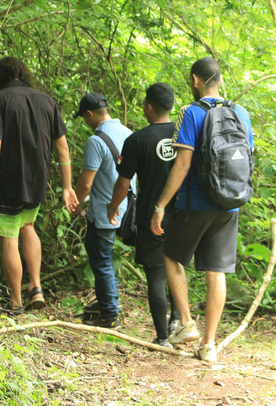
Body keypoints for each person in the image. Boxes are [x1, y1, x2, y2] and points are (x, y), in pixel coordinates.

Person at [150, 57, 254, 361]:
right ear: (219, 80)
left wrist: (161, 205)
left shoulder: (191, 112)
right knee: (216, 271)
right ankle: (209, 346)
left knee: (170, 255)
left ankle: (185, 322)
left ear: (196, 80)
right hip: (229, 205)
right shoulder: (241, 113)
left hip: (195, 204)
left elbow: (182, 164)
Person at [0, 57, 78, 314]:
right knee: (28, 226)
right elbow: (62, 147)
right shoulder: (47, 101)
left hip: (9, 180)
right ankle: (36, 287)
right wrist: (67, 187)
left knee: (8, 238)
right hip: (37, 179)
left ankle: (15, 303)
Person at [106, 83, 181, 347]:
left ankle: (163, 337)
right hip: (182, 215)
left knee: (156, 275)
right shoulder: (184, 134)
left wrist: (113, 208)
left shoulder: (137, 140)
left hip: (151, 218)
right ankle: (178, 322)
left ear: (149, 107)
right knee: (178, 269)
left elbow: (123, 183)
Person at [73, 93, 132, 328]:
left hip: (104, 211)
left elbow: (86, 183)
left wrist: (76, 203)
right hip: (124, 207)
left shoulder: (96, 141)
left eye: (84, 119)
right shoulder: (128, 133)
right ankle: (108, 303)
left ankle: (109, 315)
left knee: (101, 261)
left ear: (89, 114)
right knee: (102, 257)